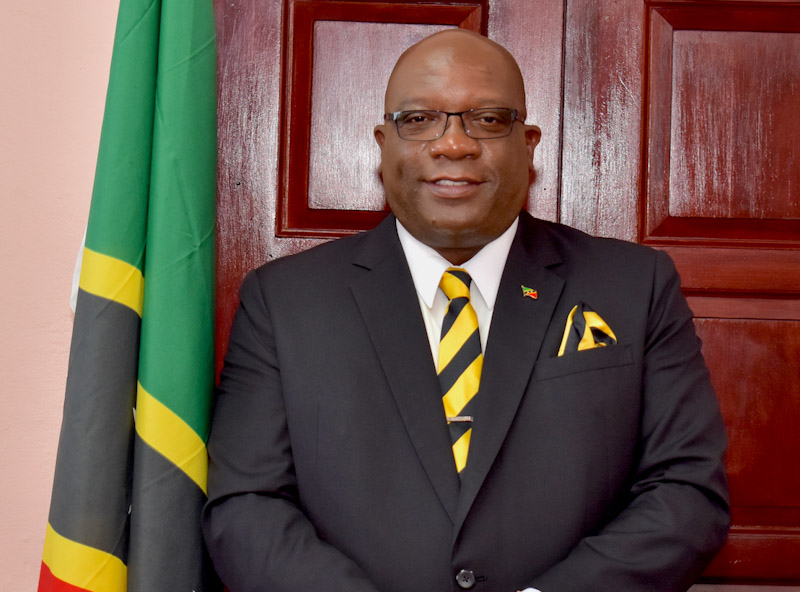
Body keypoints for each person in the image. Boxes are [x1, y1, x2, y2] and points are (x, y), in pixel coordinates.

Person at [202, 29, 729, 592]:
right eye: (419, 119)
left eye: (488, 119)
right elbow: (246, 504)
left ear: (529, 144)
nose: (454, 145)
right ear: (383, 143)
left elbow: (686, 491)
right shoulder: (285, 301)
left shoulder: (634, 287)